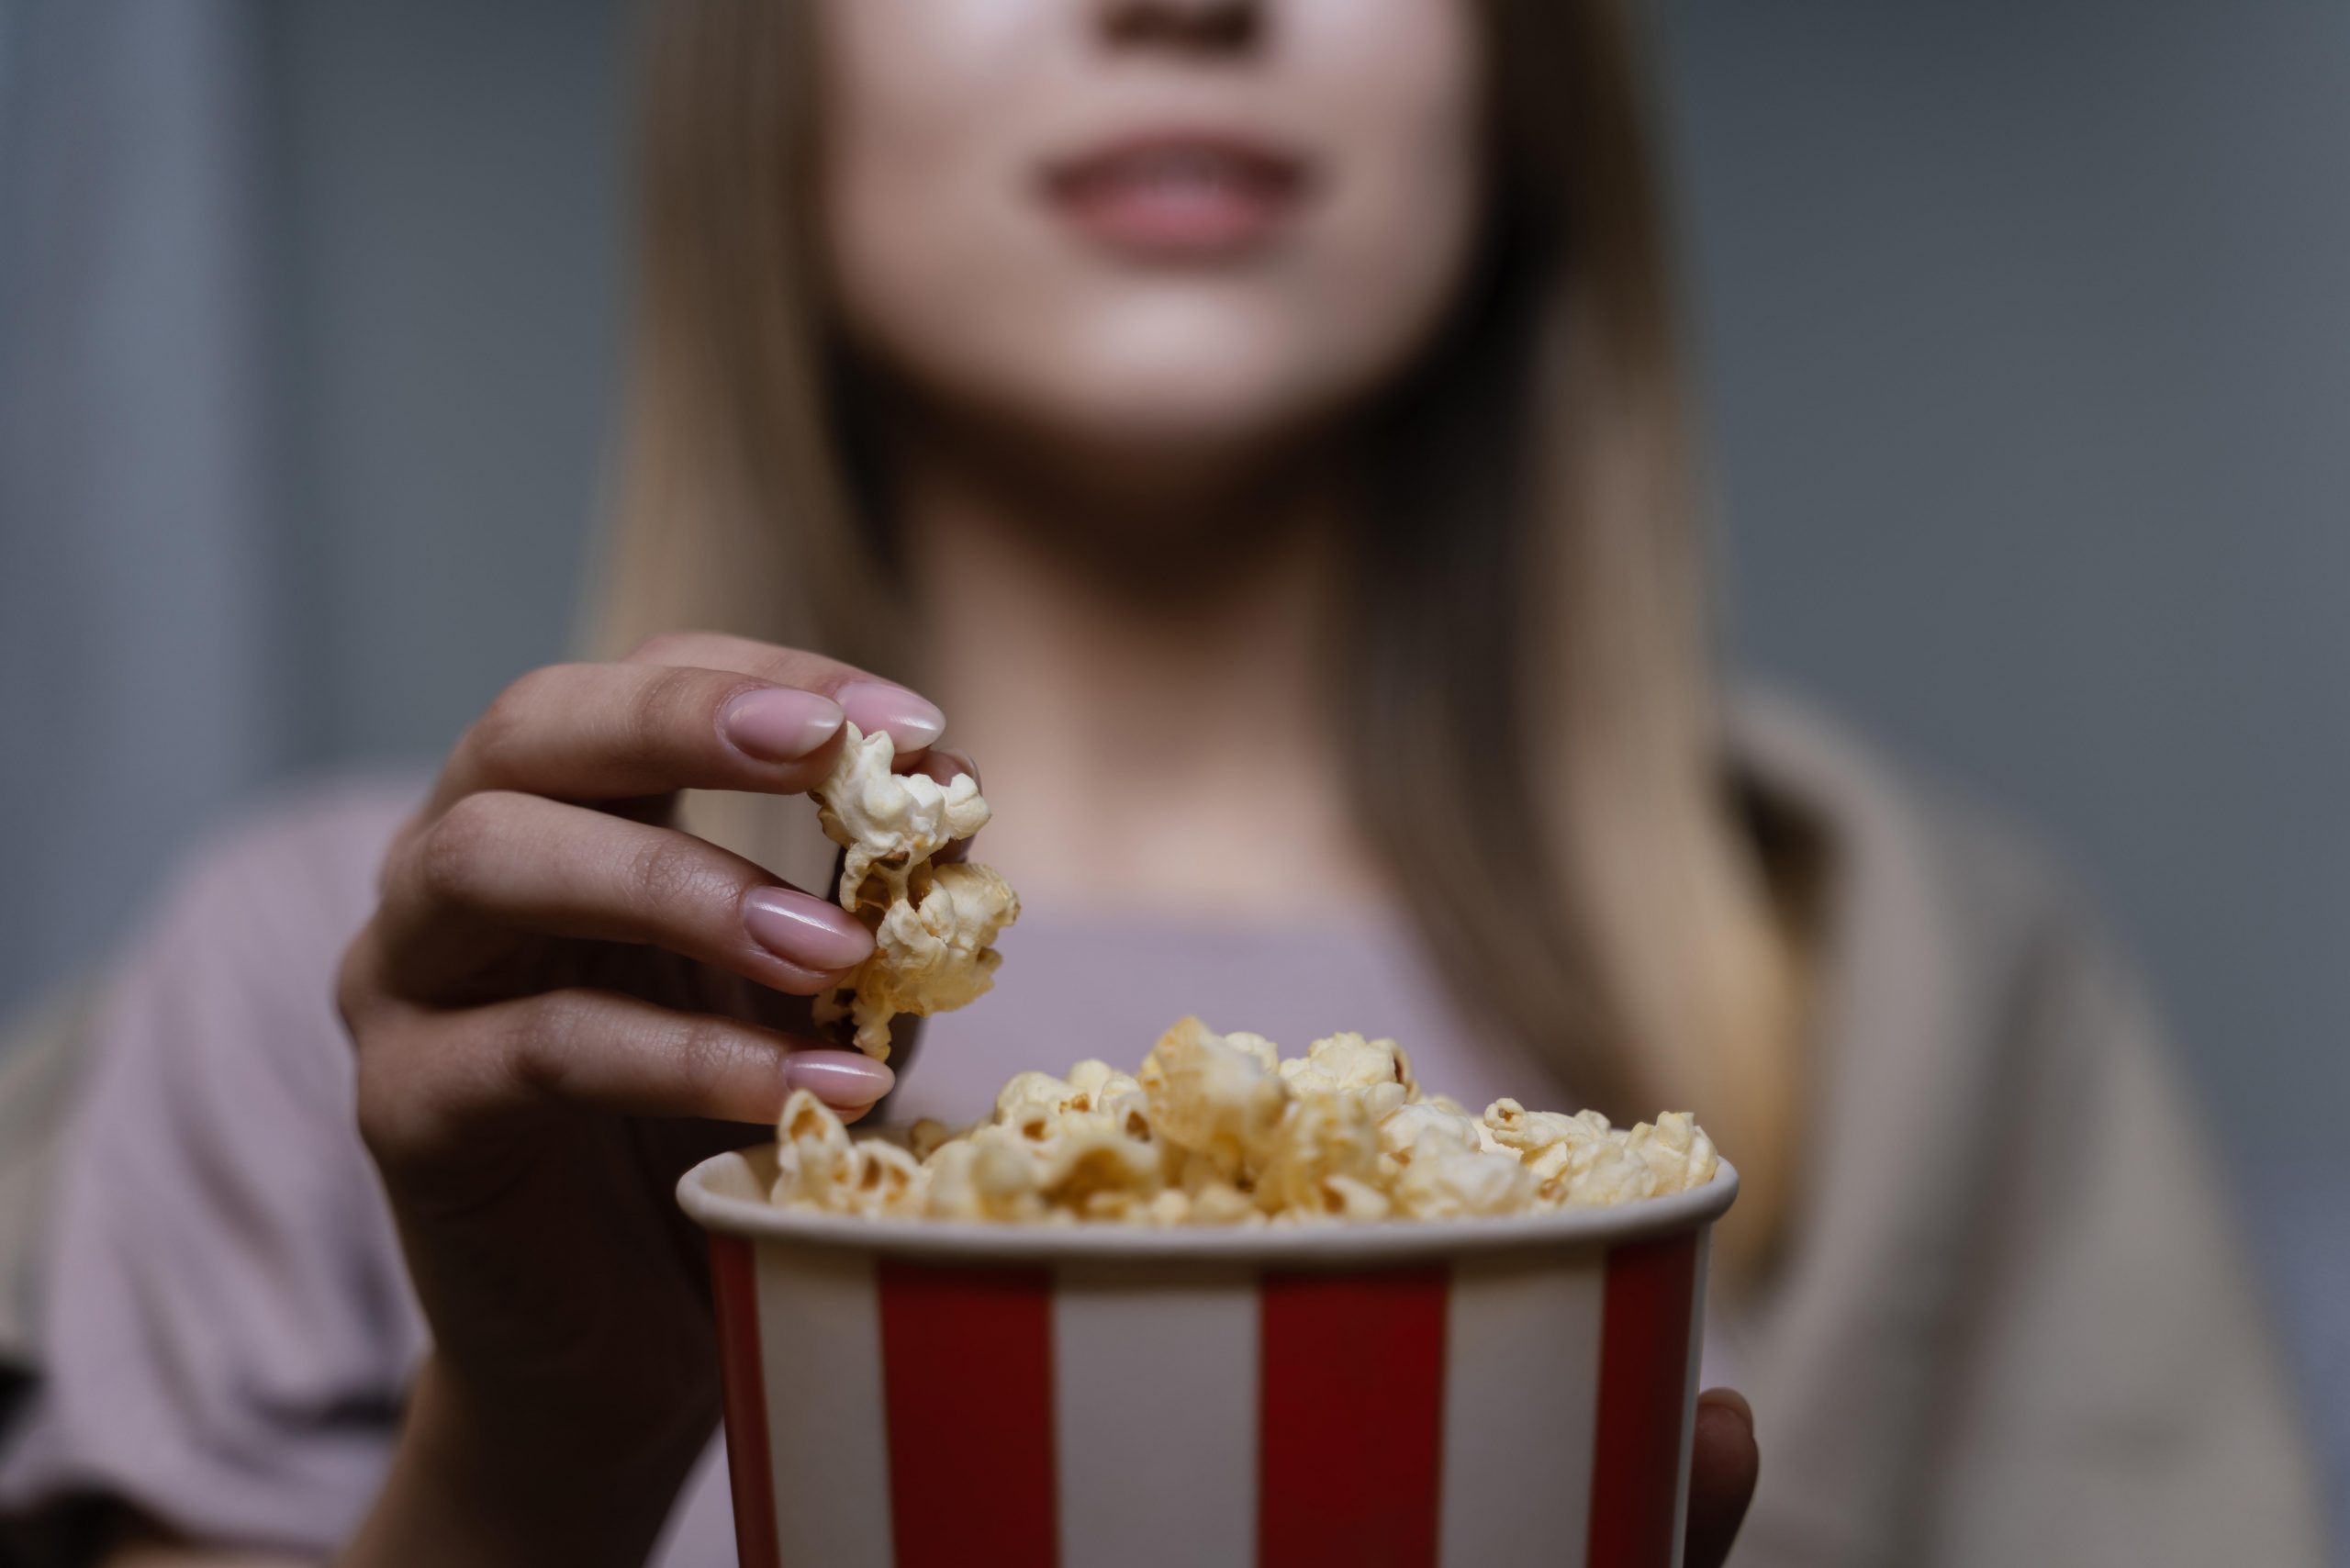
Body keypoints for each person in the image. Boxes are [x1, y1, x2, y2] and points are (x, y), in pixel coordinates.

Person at [0, 0, 2324, 1564]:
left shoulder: (1909, 981)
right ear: (773, 72)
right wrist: (532, 1468)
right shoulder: (405, 993)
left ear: (1522, 79)